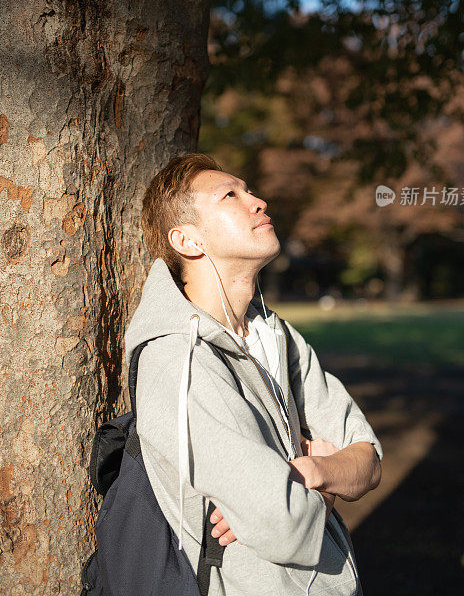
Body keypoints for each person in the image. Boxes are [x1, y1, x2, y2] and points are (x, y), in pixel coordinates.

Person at [125, 152, 383, 596]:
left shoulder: (274, 333)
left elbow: (370, 460)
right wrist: (324, 484)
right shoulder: (177, 360)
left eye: (249, 190)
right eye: (231, 195)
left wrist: (308, 473)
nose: (259, 201)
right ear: (188, 241)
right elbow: (281, 523)